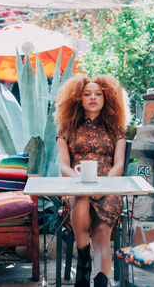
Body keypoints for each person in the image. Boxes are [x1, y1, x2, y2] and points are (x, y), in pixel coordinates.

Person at [54, 74, 127, 287]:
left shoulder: (116, 128)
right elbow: (64, 167)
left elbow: (119, 165)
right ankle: (84, 258)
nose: (93, 97)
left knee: (102, 230)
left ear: (107, 99)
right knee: (80, 197)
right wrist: (83, 183)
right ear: (78, 98)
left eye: (98, 94)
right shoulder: (67, 128)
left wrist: (103, 186)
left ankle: (101, 281)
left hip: (109, 185)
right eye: (87, 94)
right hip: (77, 185)